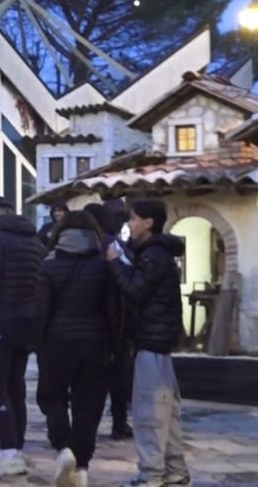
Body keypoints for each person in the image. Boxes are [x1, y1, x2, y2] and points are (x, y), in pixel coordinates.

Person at [106, 199, 190, 487]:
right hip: (157, 341)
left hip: (152, 341)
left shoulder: (154, 255)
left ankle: (152, 474)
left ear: (149, 222)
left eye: (134, 218)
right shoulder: (153, 253)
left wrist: (115, 263)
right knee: (168, 412)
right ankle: (175, 470)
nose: (130, 223)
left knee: (150, 411)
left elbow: (135, 292)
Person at [32, 211, 118, 487]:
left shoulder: (49, 264)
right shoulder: (103, 265)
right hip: (95, 343)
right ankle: (81, 467)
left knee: (52, 397)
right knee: (88, 406)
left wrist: (39, 343)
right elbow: (112, 311)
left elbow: (40, 311)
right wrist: (113, 344)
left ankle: (63, 448)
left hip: (57, 343)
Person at [0, 195, 45, 479]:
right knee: (15, 385)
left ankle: (8, 451)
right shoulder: (33, 239)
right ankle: (16, 446)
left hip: (1, 322)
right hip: (28, 322)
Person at [86, 203, 135, 440]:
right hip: (114, 320)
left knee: (93, 380)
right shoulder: (112, 244)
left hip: (93, 320)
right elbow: (126, 277)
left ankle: (89, 425)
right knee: (117, 377)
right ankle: (119, 423)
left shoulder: (88, 242)